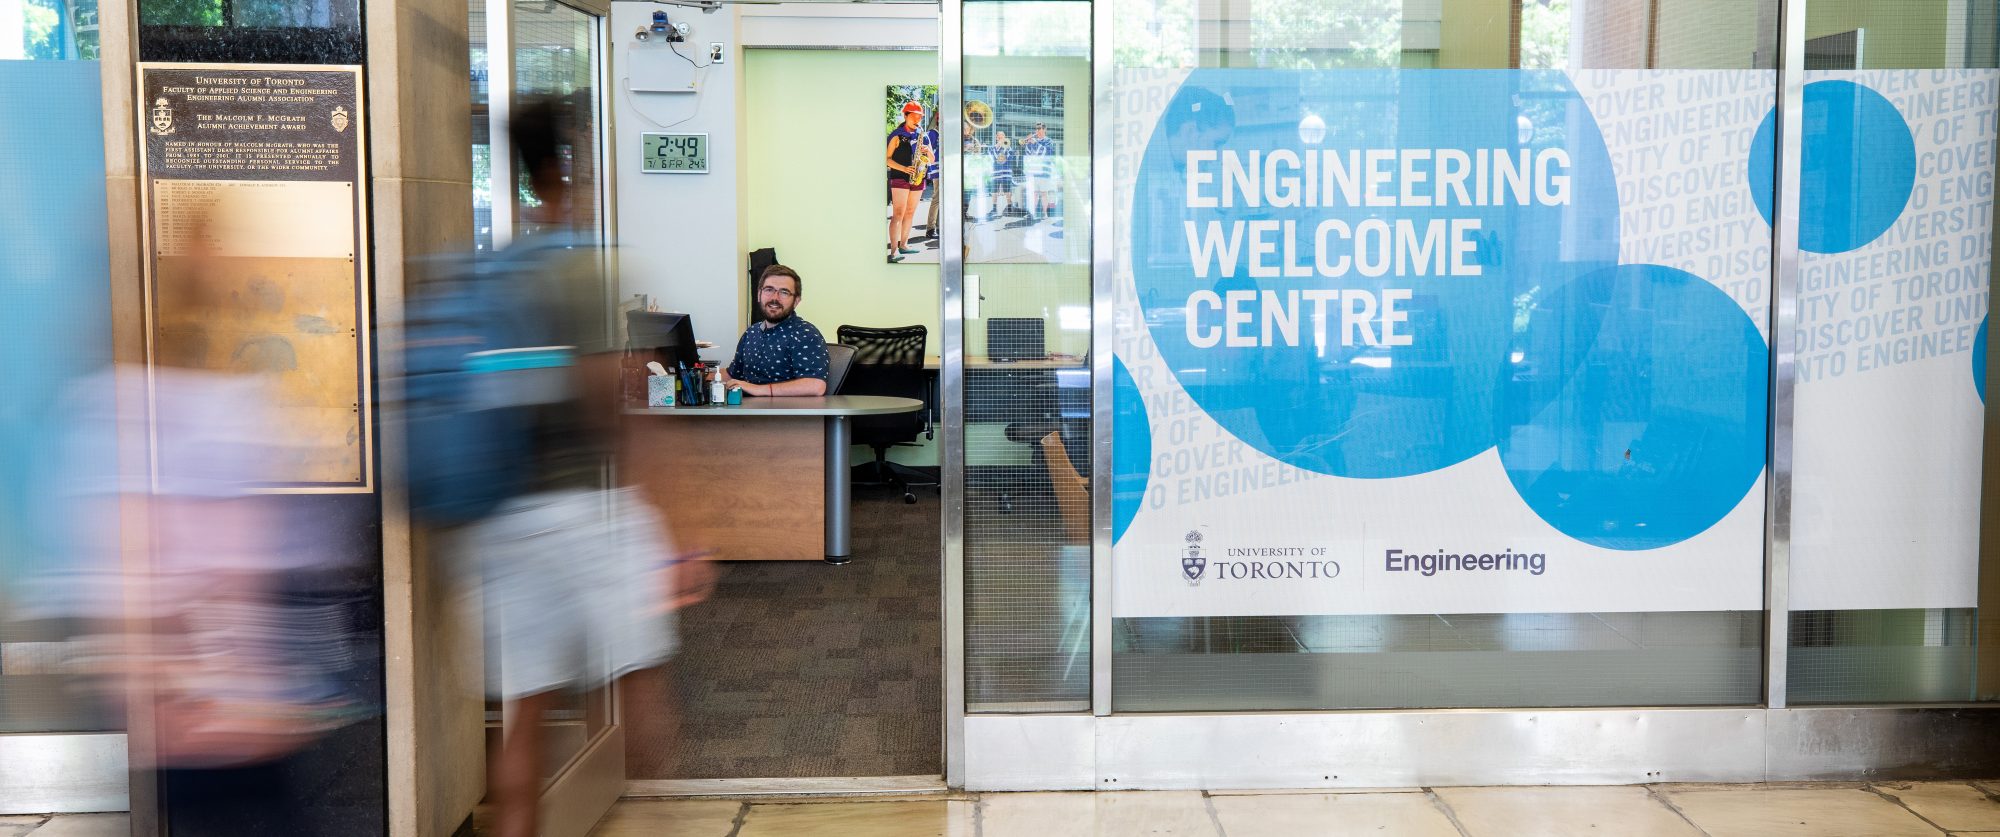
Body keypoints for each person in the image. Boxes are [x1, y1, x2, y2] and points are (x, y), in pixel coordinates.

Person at [458, 96, 712, 837]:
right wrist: (672, 526)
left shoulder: (491, 275)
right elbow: (615, 408)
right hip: (584, 509)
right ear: (559, 170)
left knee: (527, 712)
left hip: (504, 515)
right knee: (641, 686)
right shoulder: (583, 272)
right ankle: (663, 822)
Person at [719, 264, 831, 397]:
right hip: (748, 412)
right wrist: (698, 374)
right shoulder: (751, 333)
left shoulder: (805, 333)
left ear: (796, 301)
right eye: (769, 290)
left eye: (784, 292)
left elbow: (815, 386)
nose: (775, 298)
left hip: (785, 415)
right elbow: (732, 375)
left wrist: (757, 389)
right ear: (759, 294)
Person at [885, 101, 928, 262]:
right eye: (914, 117)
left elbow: (930, 158)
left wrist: (927, 152)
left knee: (910, 213)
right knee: (898, 214)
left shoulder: (921, 135)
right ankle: (894, 251)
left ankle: (904, 244)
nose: (917, 120)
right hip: (900, 177)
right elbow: (887, 159)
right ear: (905, 115)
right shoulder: (896, 135)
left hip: (917, 177)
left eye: (919, 117)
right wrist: (904, 169)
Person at [1023, 122, 1057, 220]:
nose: (1037, 130)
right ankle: (1032, 213)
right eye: (1036, 128)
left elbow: (1047, 152)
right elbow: (1029, 154)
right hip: (1034, 171)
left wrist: (1035, 143)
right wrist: (1028, 144)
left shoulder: (1049, 141)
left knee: (1043, 193)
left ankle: (1044, 214)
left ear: (1044, 129)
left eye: (1039, 128)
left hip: (1044, 172)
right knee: (1034, 194)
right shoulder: (1034, 141)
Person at [920, 113, 942, 243]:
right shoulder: (932, 134)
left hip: (946, 170)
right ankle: (930, 229)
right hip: (937, 170)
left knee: (942, 200)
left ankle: (939, 227)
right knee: (937, 199)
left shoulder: (944, 134)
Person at [988, 129, 1015, 221]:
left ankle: (1010, 207)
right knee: (994, 192)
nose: (1000, 138)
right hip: (995, 174)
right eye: (998, 137)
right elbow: (992, 157)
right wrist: (996, 147)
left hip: (1006, 174)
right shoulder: (992, 148)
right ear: (996, 138)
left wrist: (1002, 147)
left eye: (1001, 136)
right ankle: (994, 208)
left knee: (1007, 192)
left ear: (1004, 137)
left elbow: (1002, 158)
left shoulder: (1008, 147)